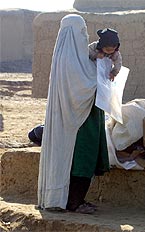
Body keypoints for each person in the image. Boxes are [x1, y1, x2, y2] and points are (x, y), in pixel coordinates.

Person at [38, 14, 110, 214]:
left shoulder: (74, 56)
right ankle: (74, 202)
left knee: (76, 160)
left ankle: (73, 200)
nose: (85, 35)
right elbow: (84, 87)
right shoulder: (71, 59)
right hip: (79, 122)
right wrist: (101, 71)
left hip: (79, 119)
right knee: (81, 160)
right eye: (82, 31)